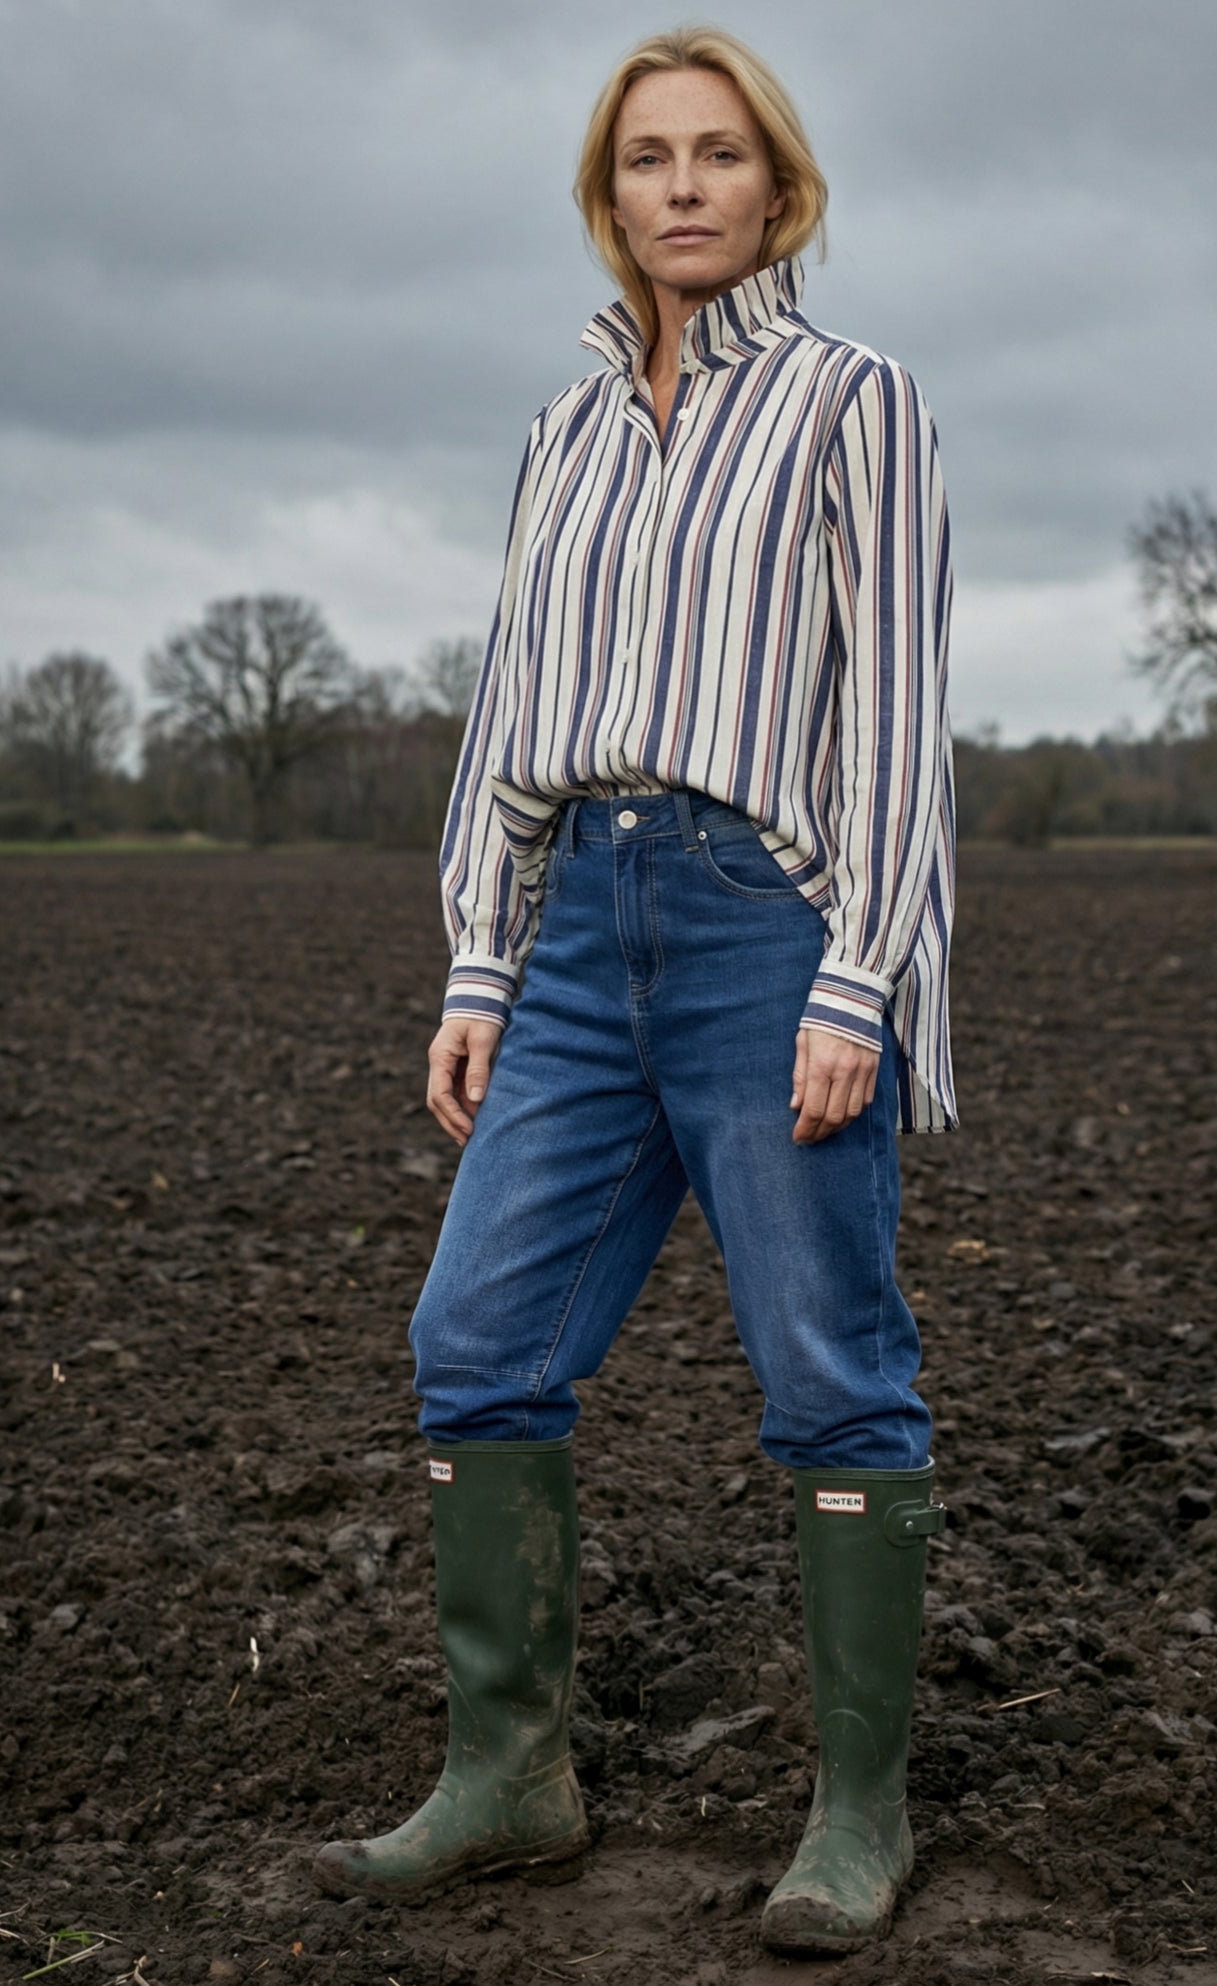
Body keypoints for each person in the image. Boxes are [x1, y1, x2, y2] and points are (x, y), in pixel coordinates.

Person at [313, 26, 957, 1956]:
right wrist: (482, 954)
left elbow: (899, 720)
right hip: (583, 920)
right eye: (648, 157)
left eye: (720, 153)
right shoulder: (565, 431)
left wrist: (859, 979)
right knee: (475, 1335)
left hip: (770, 919)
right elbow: (512, 705)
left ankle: (860, 1815)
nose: (684, 186)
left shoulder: (855, 403)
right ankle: (509, 1776)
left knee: (829, 1368)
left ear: (781, 187)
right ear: (609, 196)